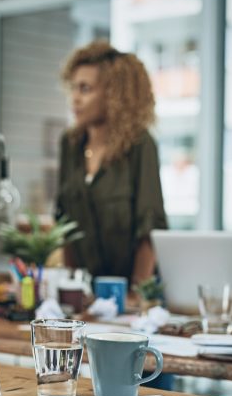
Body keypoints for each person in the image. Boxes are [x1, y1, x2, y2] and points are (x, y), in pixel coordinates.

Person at [56, 40, 168, 295]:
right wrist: (70, 289)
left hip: (133, 295)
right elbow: (65, 225)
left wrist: (136, 296)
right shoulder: (70, 144)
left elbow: (149, 229)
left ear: (114, 94)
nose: (75, 98)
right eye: (73, 88)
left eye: (85, 89)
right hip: (86, 296)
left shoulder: (140, 145)